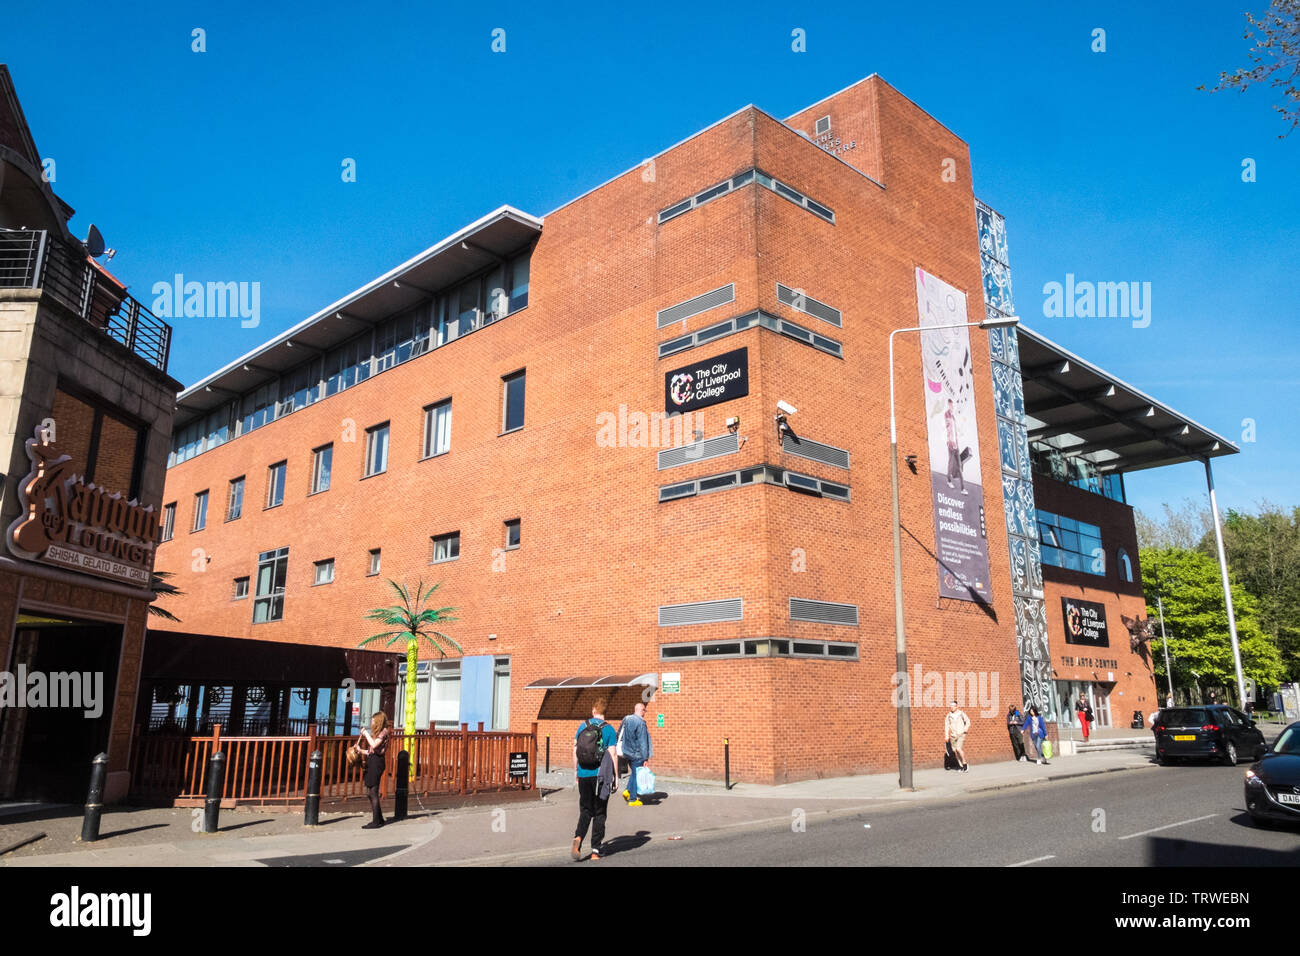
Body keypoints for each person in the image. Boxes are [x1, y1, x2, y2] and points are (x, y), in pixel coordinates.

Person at [572, 698, 619, 861]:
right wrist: (616, 777)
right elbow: (613, 754)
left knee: (585, 810)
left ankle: (578, 838)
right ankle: (595, 851)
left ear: (593, 710)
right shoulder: (609, 730)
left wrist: (576, 772)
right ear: (605, 712)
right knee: (600, 812)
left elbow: (575, 750)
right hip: (600, 776)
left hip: (583, 774)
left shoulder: (582, 726)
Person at [358, 711, 391, 829]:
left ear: (378, 721)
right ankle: (379, 819)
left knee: (373, 791)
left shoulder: (383, 733)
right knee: (370, 791)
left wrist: (366, 734)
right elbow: (371, 750)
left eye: (373, 720)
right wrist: (361, 751)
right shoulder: (379, 733)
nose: (371, 723)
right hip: (373, 761)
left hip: (377, 763)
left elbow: (374, 745)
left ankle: (376, 821)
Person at [618, 701, 653, 807]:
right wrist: (645, 757)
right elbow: (643, 742)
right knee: (637, 775)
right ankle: (633, 799)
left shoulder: (626, 719)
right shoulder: (640, 722)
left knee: (634, 773)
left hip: (626, 751)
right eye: (644, 710)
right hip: (637, 754)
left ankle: (628, 791)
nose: (645, 713)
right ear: (641, 710)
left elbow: (619, 733)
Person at [944, 400, 967, 494]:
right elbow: (948, 429)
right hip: (951, 444)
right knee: (950, 463)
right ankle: (949, 480)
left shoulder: (953, 417)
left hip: (956, 444)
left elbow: (955, 431)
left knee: (959, 465)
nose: (952, 407)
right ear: (948, 405)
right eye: (951, 406)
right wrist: (951, 441)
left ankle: (963, 489)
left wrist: (956, 442)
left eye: (953, 406)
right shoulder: (947, 415)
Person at [945, 699, 971, 772]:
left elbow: (968, 721)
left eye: (953, 706)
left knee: (958, 749)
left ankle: (965, 764)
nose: (952, 707)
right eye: (951, 706)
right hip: (953, 735)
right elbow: (946, 726)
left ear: (957, 707)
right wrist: (946, 735)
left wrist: (965, 729)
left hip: (961, 734)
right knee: (955, 751)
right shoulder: (948, 715)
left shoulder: (961, 713)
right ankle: (961, 766)